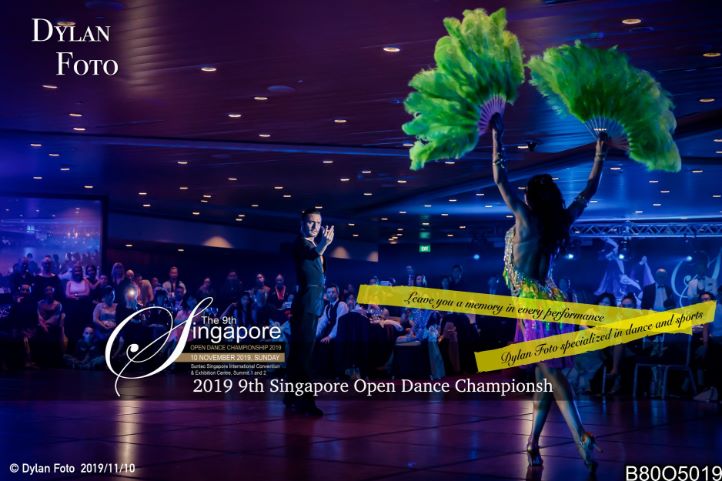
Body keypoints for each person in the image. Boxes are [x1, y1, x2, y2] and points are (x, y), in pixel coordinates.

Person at [491, 113, 605, 470]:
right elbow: (588, 191)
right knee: (543, 377)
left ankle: (580, 435)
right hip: (551, 300)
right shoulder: (560, 221)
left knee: (552, 374)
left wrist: (497, 139)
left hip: (532, 306)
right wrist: (599, 153)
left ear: (530, 197)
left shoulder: (525, 219)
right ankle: (532, 444)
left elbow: (500, 179)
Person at [286, 207, 334, 416]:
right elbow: (310, 254)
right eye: (311, 222)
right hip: (306, 305)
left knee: (299, 353)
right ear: (302, 223)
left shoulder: (314, 245)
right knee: (303, 355)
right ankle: (305, 402)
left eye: (318, 223)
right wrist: (324, 244)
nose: (315, 226)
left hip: (312, 305)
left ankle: (291, 396)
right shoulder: (300, 243)